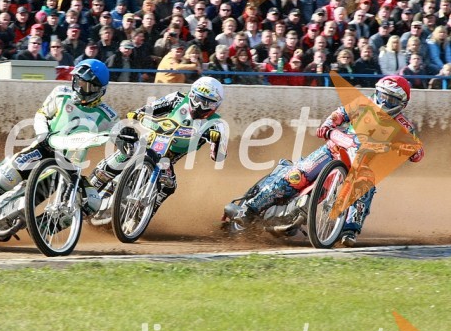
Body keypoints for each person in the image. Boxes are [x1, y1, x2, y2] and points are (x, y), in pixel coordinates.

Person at [227, 76, 424, 247]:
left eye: (390, 99)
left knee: (366, 186)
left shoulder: (404, 125)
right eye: (382, 95)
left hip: (364, 164)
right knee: (298, 175)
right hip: (335, 149)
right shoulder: (361, 105)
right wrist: (328, 126)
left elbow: (417, 152)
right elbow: (337, 115)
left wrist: (409, 151)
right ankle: (250, 209)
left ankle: (349, 230)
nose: (384, 101)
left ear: (401, 103)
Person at [0, 59, 118, 233]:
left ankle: (38, 231)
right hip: (44, 149)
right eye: (77, 81)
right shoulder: (60, 94)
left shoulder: (108, 115)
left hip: (70, 166)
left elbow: (118, 133)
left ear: (97, 89)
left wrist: (128, 137)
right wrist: (44, 134)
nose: (78, 87)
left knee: (91, 202)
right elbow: (41, 115)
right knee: (6, 175)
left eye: (85, 85)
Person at [88, 77, 227, 215]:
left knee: (169, 185)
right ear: (191, 95)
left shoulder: (217, 123)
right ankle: (89, 188)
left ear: (217, 105)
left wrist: (217, 140)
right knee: (127, 151)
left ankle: (141, 215)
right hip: (148, 142)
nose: (200, 105)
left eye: (208, 103)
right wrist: (137, 113)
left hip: (166, 159)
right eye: (198, 99)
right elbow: (150, 108)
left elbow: (219, 156)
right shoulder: (178, 98)